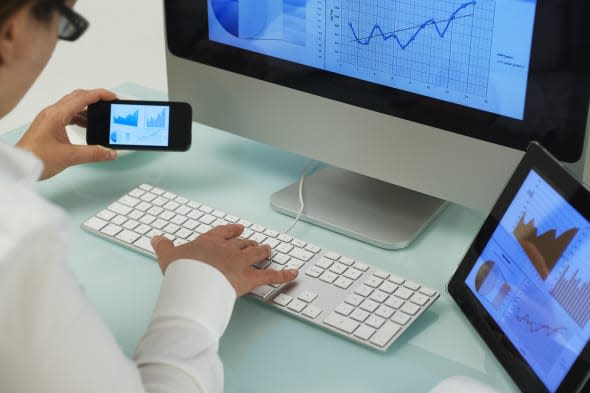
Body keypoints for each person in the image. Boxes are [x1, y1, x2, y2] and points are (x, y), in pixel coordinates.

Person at [0, 1, 298, 392]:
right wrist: (200, 281)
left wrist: (23, 162)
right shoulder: (17, 241)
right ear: (11, 33)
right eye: (64, 21)